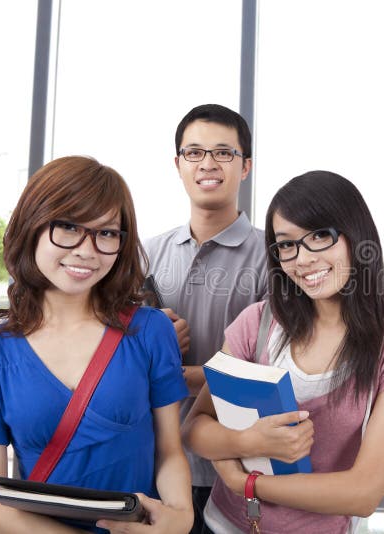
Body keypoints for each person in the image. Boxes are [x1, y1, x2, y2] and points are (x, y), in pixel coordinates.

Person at [181, 170, 384, 533]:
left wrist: (246, 484)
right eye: (287, 244)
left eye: (319, 236)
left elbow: (363, 492)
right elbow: (195, 428)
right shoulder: (258, 320)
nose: (302, 259)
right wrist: (245, 440)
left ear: (356, 236)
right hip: (223, 525)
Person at [0, 156, 193, 533]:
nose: (87, 249)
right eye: (67, 227)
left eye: (107, 233)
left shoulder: (149, 331)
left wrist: (180, 517)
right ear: (31, 226)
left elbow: (168, 452)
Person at [143, 103, 267, 533]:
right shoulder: (144, 255)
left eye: (223, 153)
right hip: (155, 465)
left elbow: (268, 372)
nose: (207, 164)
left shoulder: (277, 257)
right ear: (178, 164)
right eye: (194, 153)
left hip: (239, 469)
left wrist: (166, 369)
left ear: (245, 166)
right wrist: (149, 344)